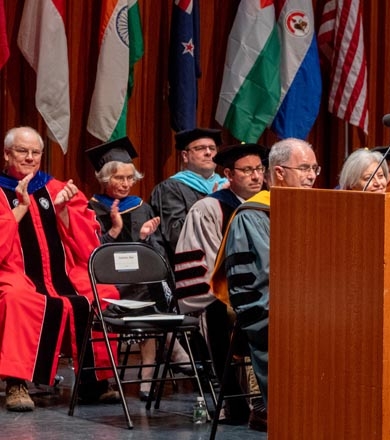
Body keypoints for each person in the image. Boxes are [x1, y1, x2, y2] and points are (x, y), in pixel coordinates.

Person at [0, 126, 120, 412]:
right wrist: (19, 210)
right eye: (22, 151)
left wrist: (64, 212)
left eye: (35, 152)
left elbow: (89, 245)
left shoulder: (56, 188)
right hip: (13, 272)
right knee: (19, 299)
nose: (29, 157)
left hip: (64, 273)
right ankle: (16, 382)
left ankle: (94, 382)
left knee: (102, 294)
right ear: (6, 154)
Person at [210, 138, 319, 431]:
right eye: (305, 168)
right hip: (269, 311)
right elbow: (258, 283)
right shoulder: (254, 215)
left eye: (314, 169)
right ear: (280, 172)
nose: (311, 175)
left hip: (311, 307)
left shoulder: (319, 209)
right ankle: (294, 424)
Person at [86, 137, 192, 401]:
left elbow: (156, 258)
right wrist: (113, 231)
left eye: (129, 178)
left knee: (156, 284)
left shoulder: (141, 207)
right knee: (147, 291)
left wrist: (144, 239)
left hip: (141, 282)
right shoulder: (89, 208)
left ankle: (147, 377)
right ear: (103, 178)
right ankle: (172, 348)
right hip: (108, 286)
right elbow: (89, 255)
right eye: (118, 178)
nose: (125, 184)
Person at [174, 142, 267, 424]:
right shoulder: (210, 208)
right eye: (247, 170)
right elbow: (209, 265)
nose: (255, 176)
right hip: (221, 297)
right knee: (227, 313)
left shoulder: (272, 204)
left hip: (262, 293)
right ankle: (237, 403)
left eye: (259, 169)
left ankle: (272, 401)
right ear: (229, 174)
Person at [149, 128, 228, 265]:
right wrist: (208, 205)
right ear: (185, 156)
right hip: (193, 268)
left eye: (212, 148)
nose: (208, 153)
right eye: (200, 148)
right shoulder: (170, 188)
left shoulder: (227, 186)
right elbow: (175, 234)